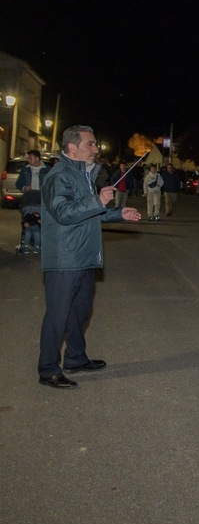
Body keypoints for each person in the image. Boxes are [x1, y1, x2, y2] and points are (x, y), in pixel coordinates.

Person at [37, 125, 143, 389]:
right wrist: (97, 201)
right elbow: (64, 213)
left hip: (83, 255)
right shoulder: (58, 176)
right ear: (72, 148)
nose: (96, 149)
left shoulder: (82, 174)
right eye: (90, 144)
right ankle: (48, 368)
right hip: (65, 258)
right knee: (58, 316)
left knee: (80, 312)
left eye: (95, 144)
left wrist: (118, 213)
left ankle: (75, 357)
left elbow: (88, 212)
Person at [16, 149, 50, 253]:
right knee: (28, 218)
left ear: (37, 158)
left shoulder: (47, 170)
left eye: (30, 158)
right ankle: (27, 241)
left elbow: (53, 184)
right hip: (29, 198)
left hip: (42, 199)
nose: (28, 160)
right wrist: (24, 187)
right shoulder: (25, 169)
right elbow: (18, 183)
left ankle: (40, 243)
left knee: (41, 221)